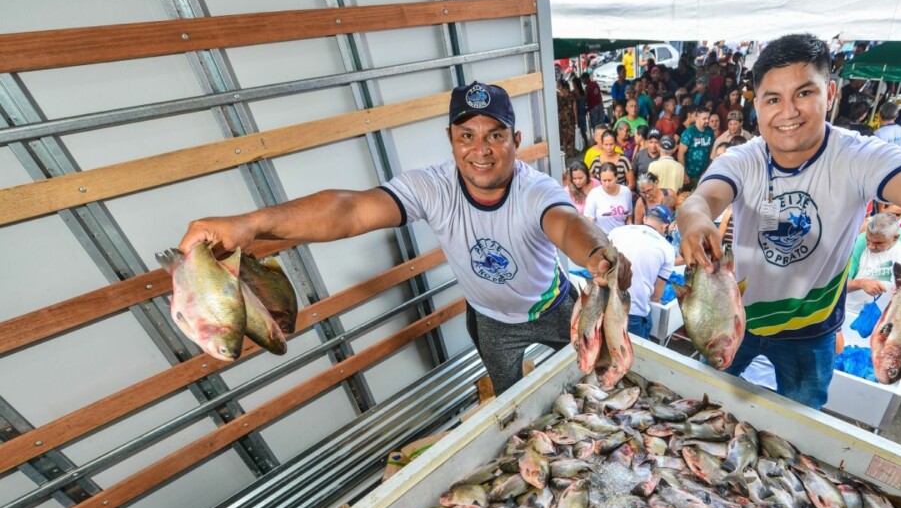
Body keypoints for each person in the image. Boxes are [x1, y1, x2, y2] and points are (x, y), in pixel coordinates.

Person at [179, 80, 629, 396]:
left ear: (516, 138)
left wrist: (597, 253)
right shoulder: (431, 187)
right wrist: (251, 223)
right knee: (514, 400)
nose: (481, 149)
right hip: (491, 320)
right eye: (466, 135)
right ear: (450, 139)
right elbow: (350, 209)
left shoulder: (536, 189)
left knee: (600, 381)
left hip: (554, 308)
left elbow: (567, 225)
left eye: (495, 135)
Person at [677, 33, 901, 410]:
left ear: (829, 94)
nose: (788, 111)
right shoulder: (742, 159)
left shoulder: (859, 157)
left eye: (804, 93)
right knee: (698, 405)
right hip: (733, 318)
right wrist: (695, 220)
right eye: (773, 99)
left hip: (810, 331)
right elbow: (701, 200)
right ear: (756, 106)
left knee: (801, 425)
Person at [841, 212, 901, 348]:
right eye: (869, 240)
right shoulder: (859, 242)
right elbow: (837, 287)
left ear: (896, 238)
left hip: (887, 323)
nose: (871, 246)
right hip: (850, 316)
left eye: (878, 243)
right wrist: (860, 283)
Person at [607, 205, 677, 340]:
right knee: (635, 357)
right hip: (633, 312)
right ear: (664, 226)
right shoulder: (667, 249)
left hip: (605, 303)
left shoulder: (617, 231)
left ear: (645, 218)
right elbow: (656, 295)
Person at [584, 162, 634, 233]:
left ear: (616, 178)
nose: (607, 184)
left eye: (610, 180)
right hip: (603, 237)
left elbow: (629, 214)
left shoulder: (626, 192)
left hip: (622, 235)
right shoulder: (594, 194)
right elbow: (588, 219)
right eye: (604, 181)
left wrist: (630, 225)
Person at [678, 104, 716, 183]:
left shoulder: (710, 131)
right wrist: (684, 174)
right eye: (704, 118)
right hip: (690, 174)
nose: (707, 121)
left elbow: (711, 150)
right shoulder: (688, 133)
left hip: (704, 173)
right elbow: (680, 154)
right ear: (697, 118)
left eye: (708, 118)